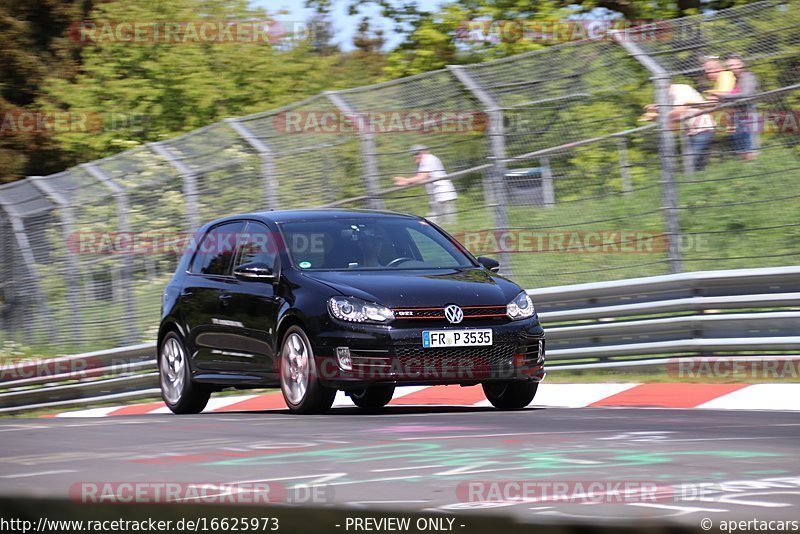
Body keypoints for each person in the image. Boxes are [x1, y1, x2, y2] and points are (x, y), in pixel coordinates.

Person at [640, 84, 716, 172]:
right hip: (692, 131)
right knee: (697, 162)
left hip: (703, 128)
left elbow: (679, 110)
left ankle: (691, 180)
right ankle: (698, 179)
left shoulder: (680, 90)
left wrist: (660, 114)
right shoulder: (671, 96)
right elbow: (672, 121)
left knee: (691, 161)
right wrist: (658, 112)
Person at [393, 145, 457, 226]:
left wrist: (407, 181)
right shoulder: (426, 161)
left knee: (444, 223)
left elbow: (422, 177)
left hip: (443, 195)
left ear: (424, 151)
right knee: (437, 223)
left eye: (417, 153)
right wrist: (407, 182)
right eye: (413, 154)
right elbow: (421, 180)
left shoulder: (427, 159)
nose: (415, 156)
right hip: (438, 197)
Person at [718, 54, 760, 161]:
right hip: (736, 116)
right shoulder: (733, 80)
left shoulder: (748, 76)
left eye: (735, 64)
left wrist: (724, 96)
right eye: (730, 65)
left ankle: (755, 168)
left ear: (742, 64)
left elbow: (746, 94)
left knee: (750, 147)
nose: (732, 67)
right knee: (741, 148)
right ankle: (745, 170)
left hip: (748, 115)